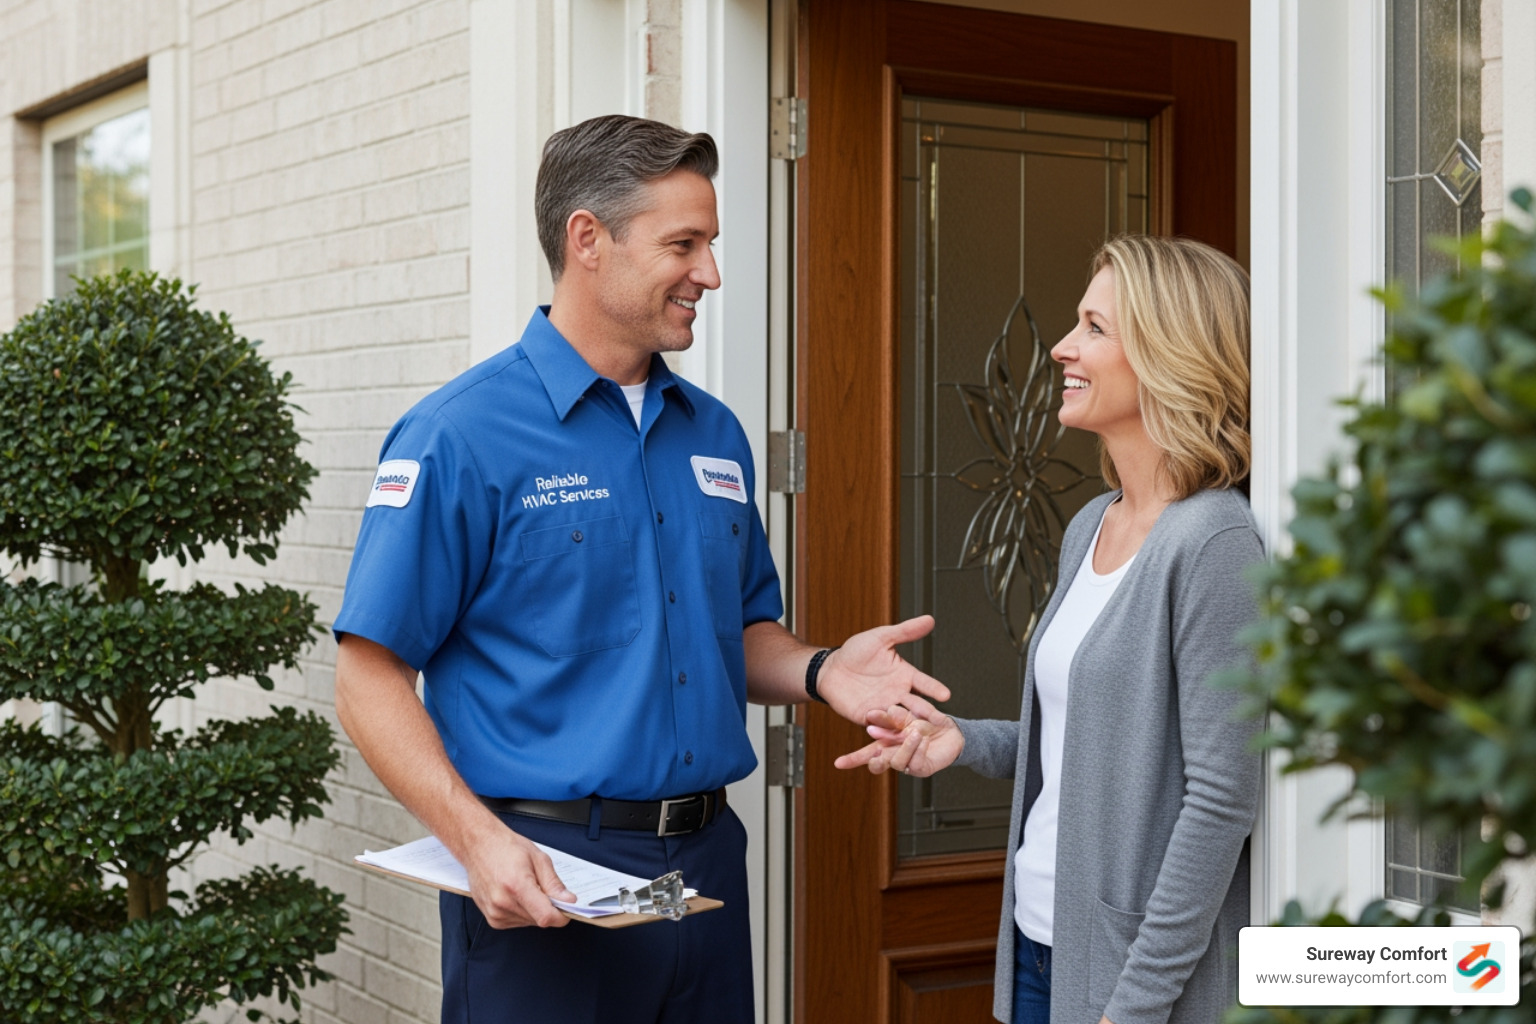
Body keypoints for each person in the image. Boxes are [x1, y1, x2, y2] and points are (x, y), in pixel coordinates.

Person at [332, 114, 951, 1024]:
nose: (710, 273)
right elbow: (367, 676)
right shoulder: (457, 435)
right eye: (683, 244)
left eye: (710, 244)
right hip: (543, 880)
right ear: (588, 239)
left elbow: (739, 632)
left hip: (700, 876)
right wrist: (476, 841)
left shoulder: (715, 434)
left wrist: (823, 671)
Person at [837, 235, 1263, 1024]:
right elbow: (1087, 742)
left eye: (1094, 328)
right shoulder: (1091, 525)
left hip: (1129, 978)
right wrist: (962, 740)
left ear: (1170, 354)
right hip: (1038, 944)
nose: (1063, 347)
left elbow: (1221, 801)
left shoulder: (1213, 542)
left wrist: (1136, 1003)